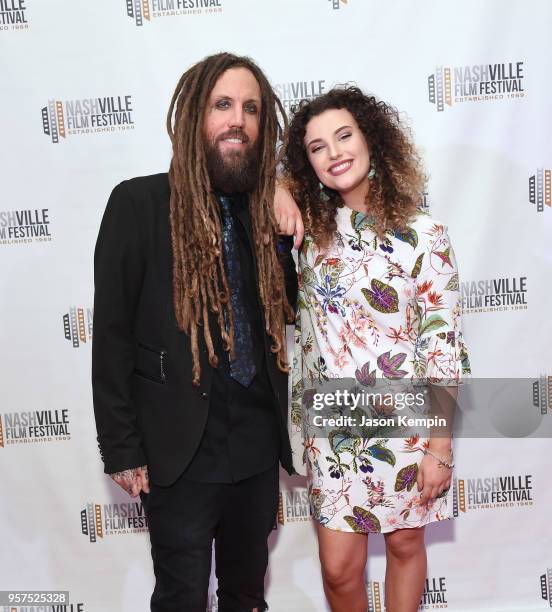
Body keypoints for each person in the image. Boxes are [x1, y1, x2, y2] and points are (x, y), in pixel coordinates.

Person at [92, 52, 300, 612]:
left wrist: (279, 184)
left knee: (245, 594)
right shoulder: (136, 204)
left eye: (252, 108)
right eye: (223, 105)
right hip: (178, 449)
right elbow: (110, 336)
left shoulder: (271, 214)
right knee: (182, 597)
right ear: (193, 119)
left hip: (256, 448)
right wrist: (121, 448)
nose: (239, 120)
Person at [282, 87, 470, 612]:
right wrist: (277, 185)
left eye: (344, 136)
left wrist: (440, 447)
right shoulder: (307, 234)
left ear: (371, 141)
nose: (334, 152)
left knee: (405, 544)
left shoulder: (423, 235)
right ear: (307, 162)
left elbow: (442, 348)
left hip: (408, 426)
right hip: (334, 428)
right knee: (339, 570)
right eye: (317, 147)